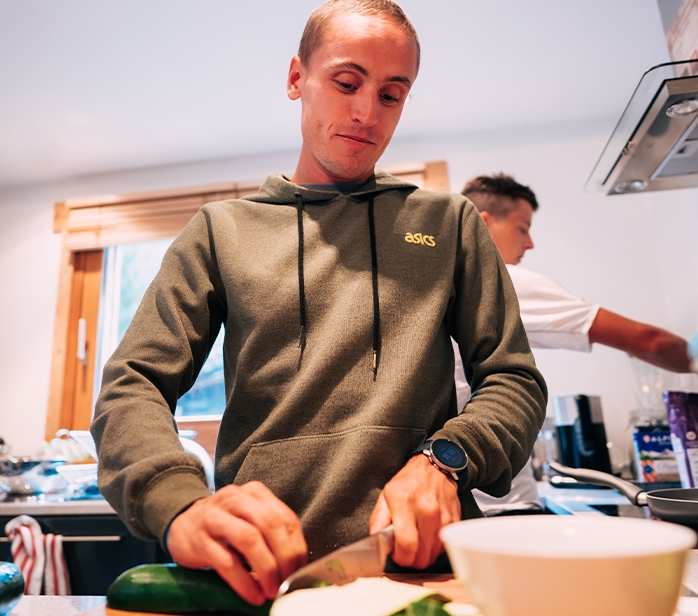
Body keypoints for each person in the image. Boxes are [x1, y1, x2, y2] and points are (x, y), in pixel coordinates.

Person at [89, 0, 546, 606]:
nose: (365, 113)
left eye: (391, 95)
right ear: (296, 78)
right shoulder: (220, 230)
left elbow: (514, 379)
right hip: (260, 577)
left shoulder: (448, 222)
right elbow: (133, 383)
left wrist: (446, 460)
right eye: (347, 82)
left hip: (428, 571)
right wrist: (178, 502)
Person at [457, 173, 695, 513]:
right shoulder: (499, 278)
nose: (530, 243)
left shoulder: (447, 284)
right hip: (501, 505)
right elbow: (648, 341)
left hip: (467, 499)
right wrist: (694, 358)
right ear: (483, 223)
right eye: (522, 228)